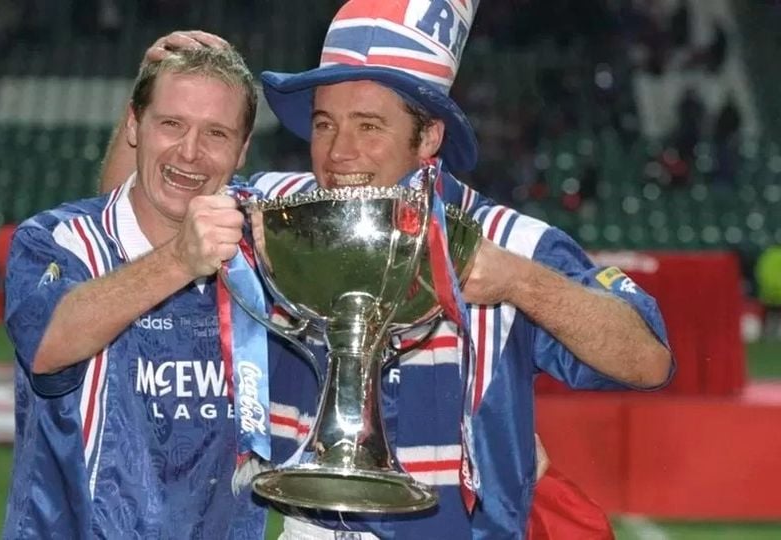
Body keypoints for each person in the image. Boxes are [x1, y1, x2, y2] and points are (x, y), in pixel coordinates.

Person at [99, 3, 672, 539]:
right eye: (324, 124)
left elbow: (647, 360)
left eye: (369, 126)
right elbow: (134, 216)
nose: (339, 152)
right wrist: (154, 98)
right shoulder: (278, 214)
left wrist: (521, 283)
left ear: (429, 137)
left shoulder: (504, 241)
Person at [1, 46, 272, 538]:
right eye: (171, 124)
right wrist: (178, 260)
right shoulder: (59, 241)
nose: (190, 151)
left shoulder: (266, 247)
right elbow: (47, 345)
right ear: (134, 126)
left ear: (243, 148)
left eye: (216, 133)